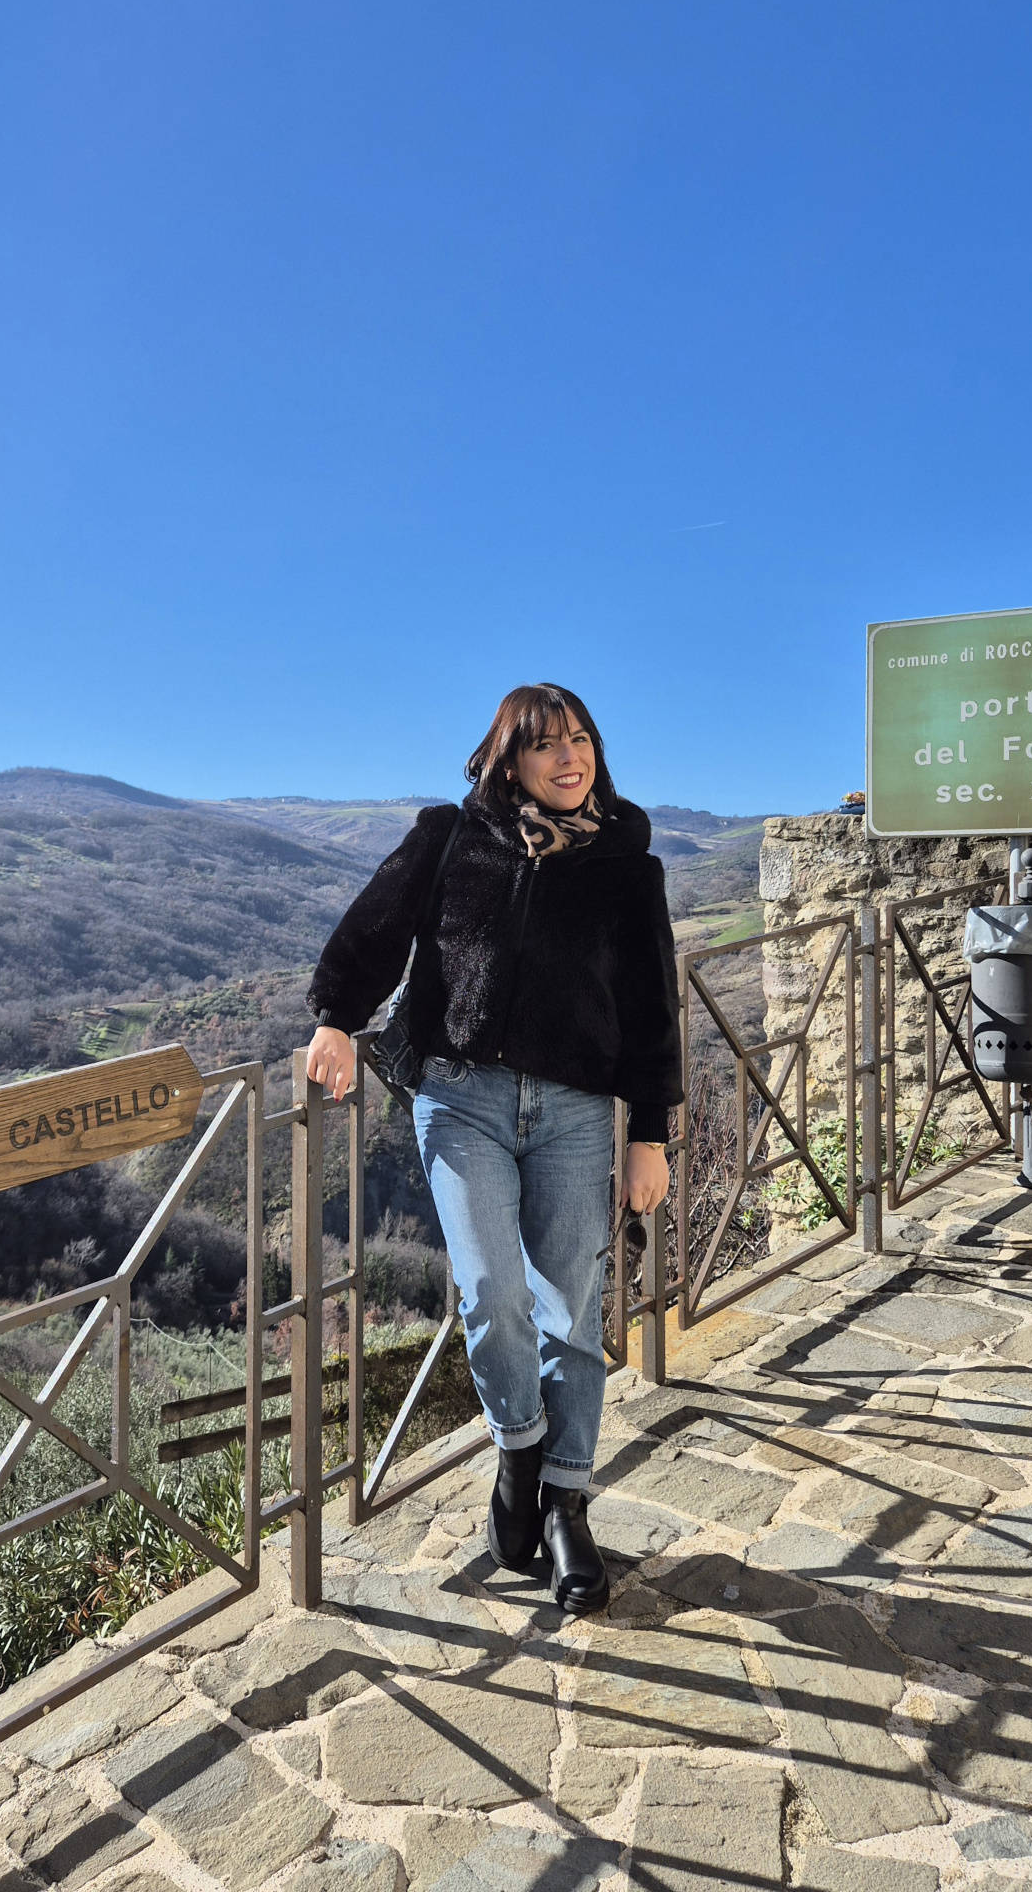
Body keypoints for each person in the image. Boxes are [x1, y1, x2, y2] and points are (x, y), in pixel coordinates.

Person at [305, 683, 681, 1613]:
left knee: (573, 1308)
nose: (570, 758)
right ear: (508, 758)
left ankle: (566, 1507)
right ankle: (519, 1449)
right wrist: (338, 1020)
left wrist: (651, 1135)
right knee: (490, 1292)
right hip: (460, 1099)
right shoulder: (449, 839)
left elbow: (652, 1012)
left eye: (582, 739)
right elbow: (376, 930)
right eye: (547, 745)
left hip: (576, 1113)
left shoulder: (629, 868)